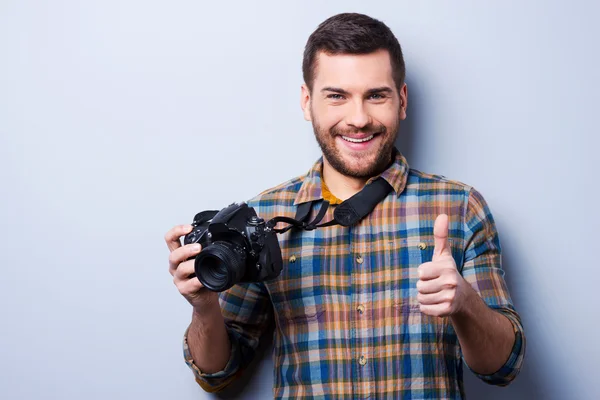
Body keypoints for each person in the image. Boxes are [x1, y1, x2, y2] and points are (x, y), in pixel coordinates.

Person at [165, 12, 525, 399]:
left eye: (376, 95)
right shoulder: (261, 218)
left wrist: (465, 303)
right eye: (337, 96)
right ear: (307, 102)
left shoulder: (459, 208)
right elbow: (217, 374)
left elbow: (502, 367)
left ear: (401, 100)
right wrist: (204, 306)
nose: (358, 119)